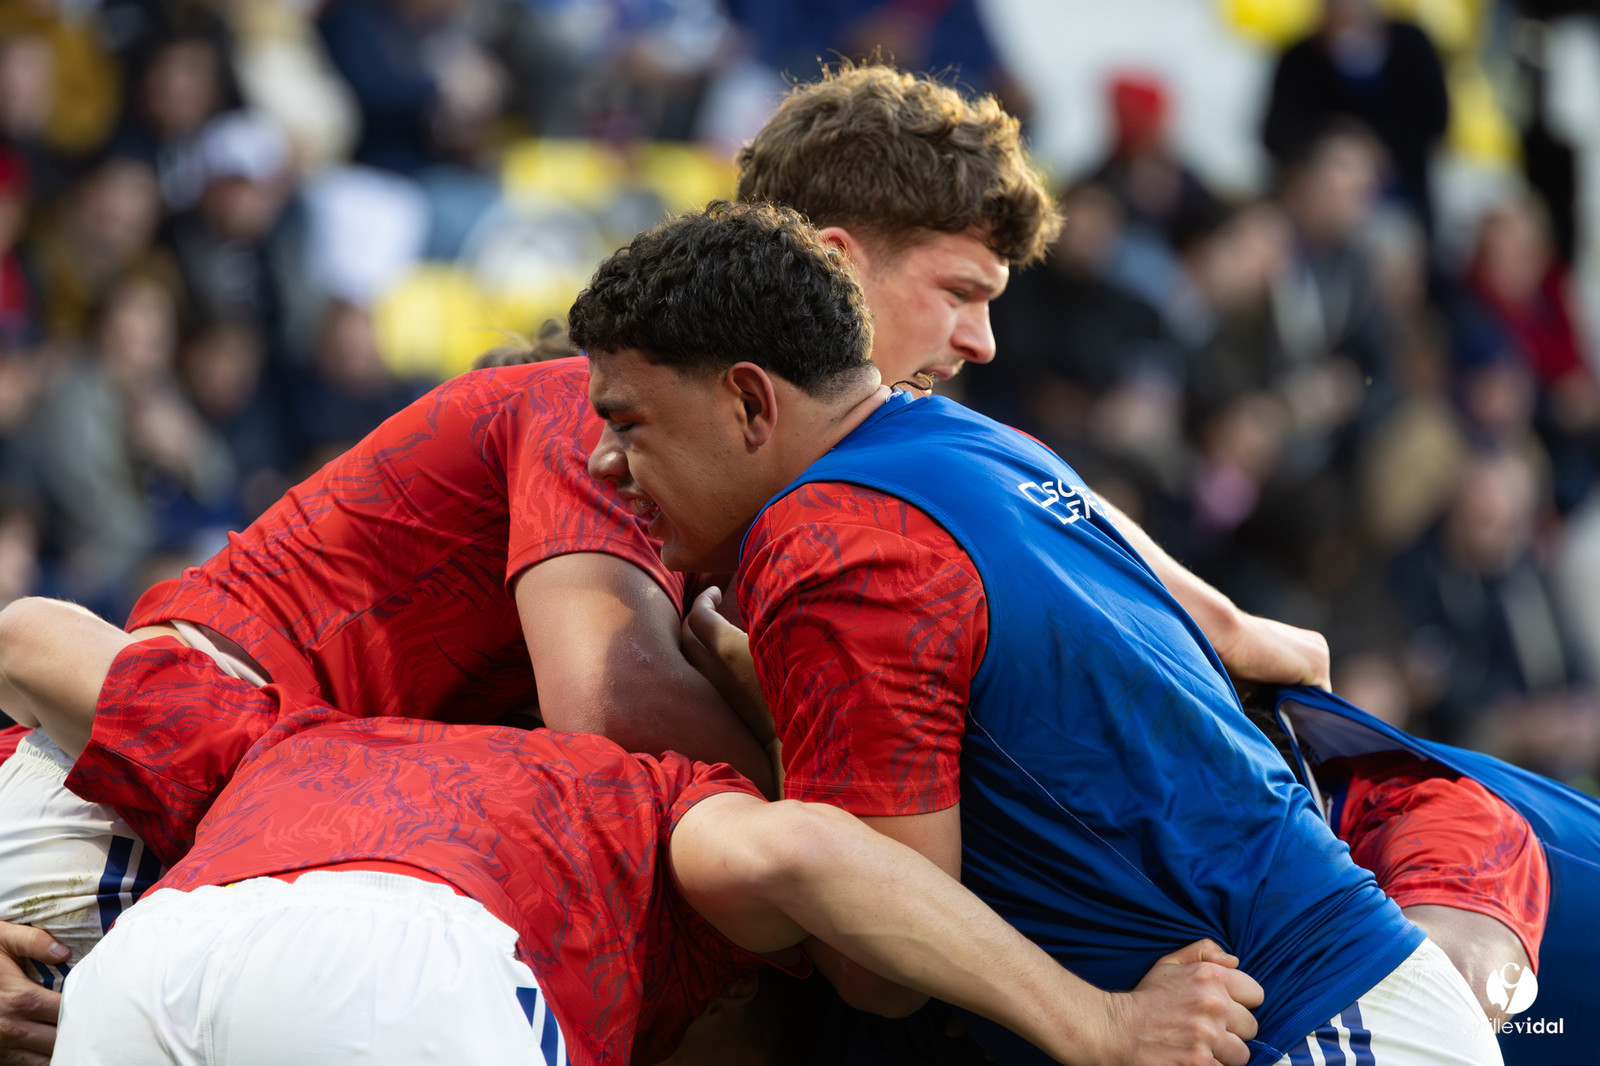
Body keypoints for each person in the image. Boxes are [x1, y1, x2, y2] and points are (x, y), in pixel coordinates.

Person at [573, 199, 1499, 1064]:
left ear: (749, 402)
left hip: (1301, 1025)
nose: (603, 461)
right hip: (1346, 995)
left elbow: (880, 971)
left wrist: (755, 733)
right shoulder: (970, 440)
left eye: (629, 420)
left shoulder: (831, 544)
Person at [1, 599, 1264, 1066]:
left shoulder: (313, 736)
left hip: (154, 966)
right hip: (412, 969)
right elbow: (798, 852)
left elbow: (32, 636)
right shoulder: (653, 802)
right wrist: (1096, 1022)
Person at [734, 62, 1331, 694]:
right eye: (958, 291)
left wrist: (1225, 624)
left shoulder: (902, 454)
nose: (981, 342)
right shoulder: (638, 448)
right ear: (835, 265)